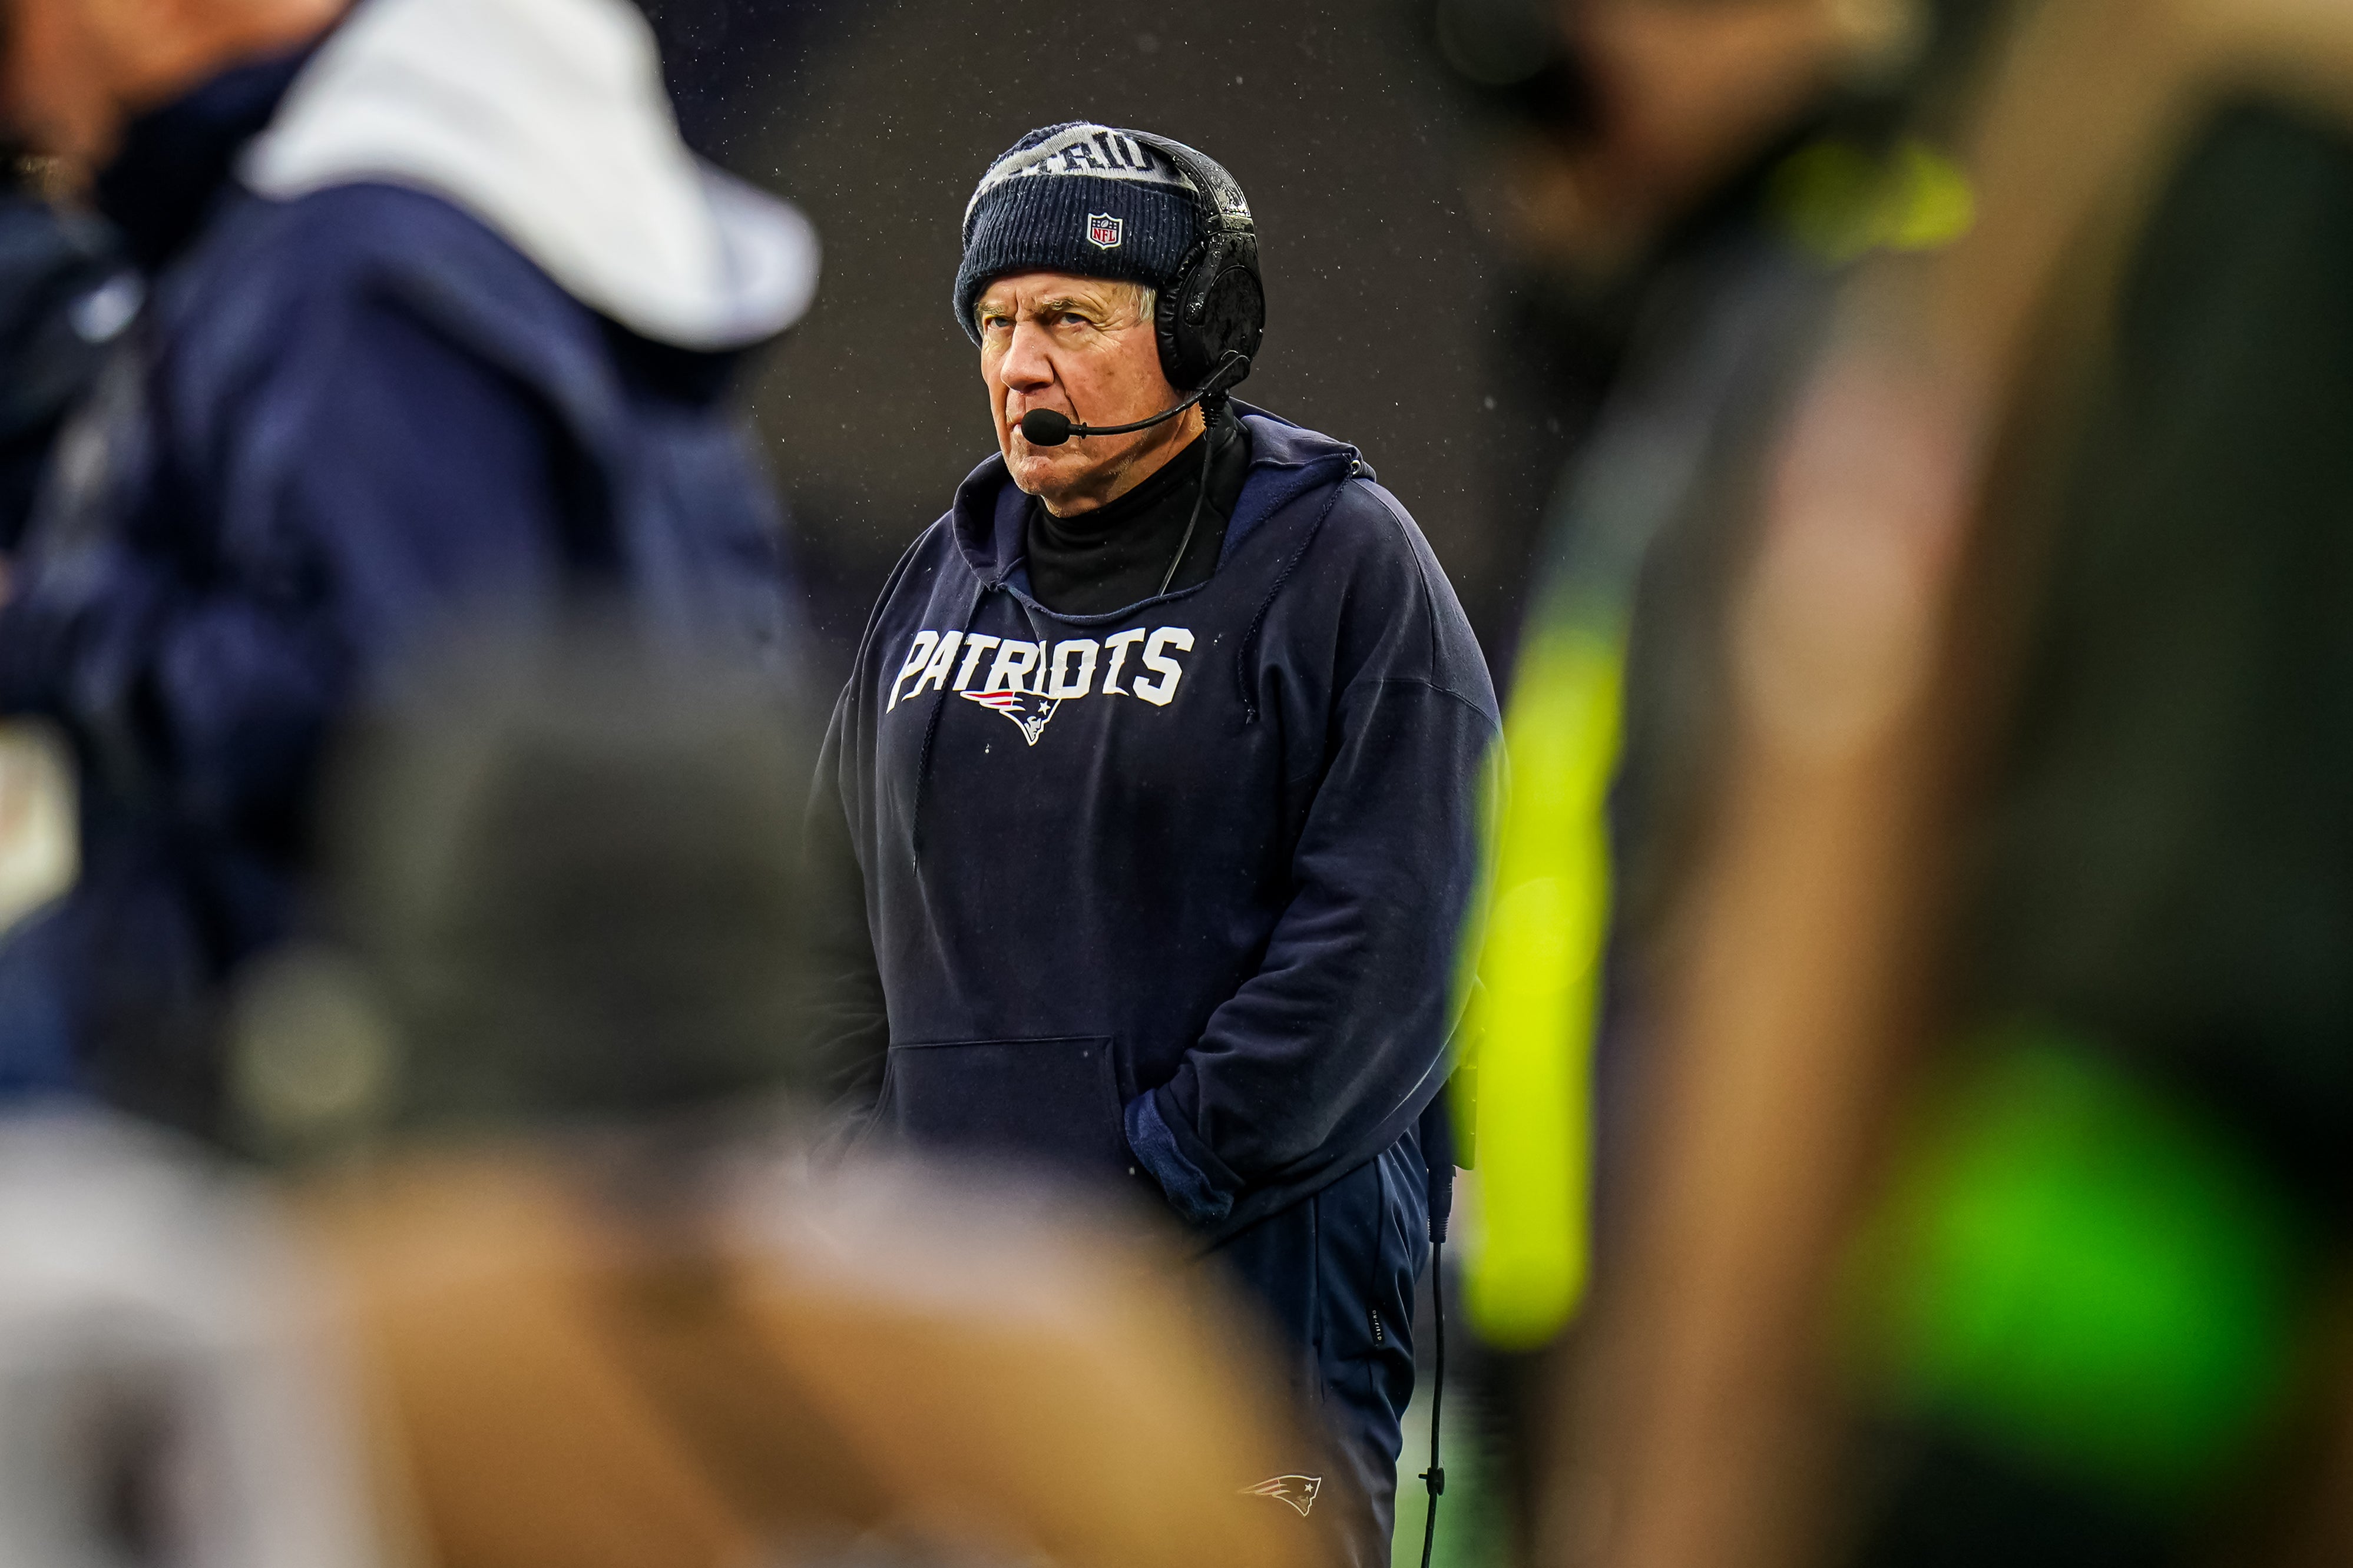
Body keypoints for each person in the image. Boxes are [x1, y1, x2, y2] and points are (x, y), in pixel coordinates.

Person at [806, 121, 1500, 1565]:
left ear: (1199, 334)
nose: (1018, 365)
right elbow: (829, 925)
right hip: (952, 1303)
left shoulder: (1344, 564)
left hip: (1254, 1301)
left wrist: (1156, 1174)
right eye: (996, 323)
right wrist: (859, 1189)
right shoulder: (940, 582)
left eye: (1070, 318)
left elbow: (1394, 931)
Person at [0, 0, 816, 1136]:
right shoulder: (486, 191)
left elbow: (418, 726)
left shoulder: (359, 262)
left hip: (384, 1140)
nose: (24, 98)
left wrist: (55, 623)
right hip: (573, 1103)